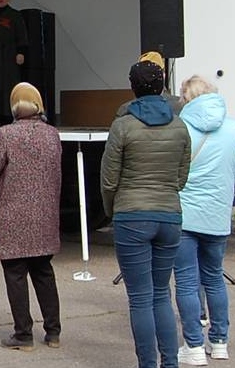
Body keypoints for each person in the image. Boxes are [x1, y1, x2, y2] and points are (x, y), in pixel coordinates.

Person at [101, 59, 191, 368]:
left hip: (132, 214)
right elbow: (182, 176)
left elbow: (109, 180)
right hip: (169, 214)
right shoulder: (180, 126)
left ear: (133, 87)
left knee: (140, 297)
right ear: (163, 85)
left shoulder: (122, 125)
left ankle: (147, 364)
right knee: (161, 294)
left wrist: (112, 211)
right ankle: (170, 363)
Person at [0, 82, 62, 351]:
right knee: (44, 271)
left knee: (15, 273)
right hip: (45, 216)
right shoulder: (53, 135)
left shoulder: (5, 135)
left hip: (13, 216)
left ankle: (23, 335)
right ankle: (53, 332)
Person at [173, 76, 235, 365]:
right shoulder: (233, 128)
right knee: (214, 278)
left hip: (185, 215)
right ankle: (220, 342)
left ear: (187, 98)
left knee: (186, 281)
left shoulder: (180, 128)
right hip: (218, 215)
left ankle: (194, 346)